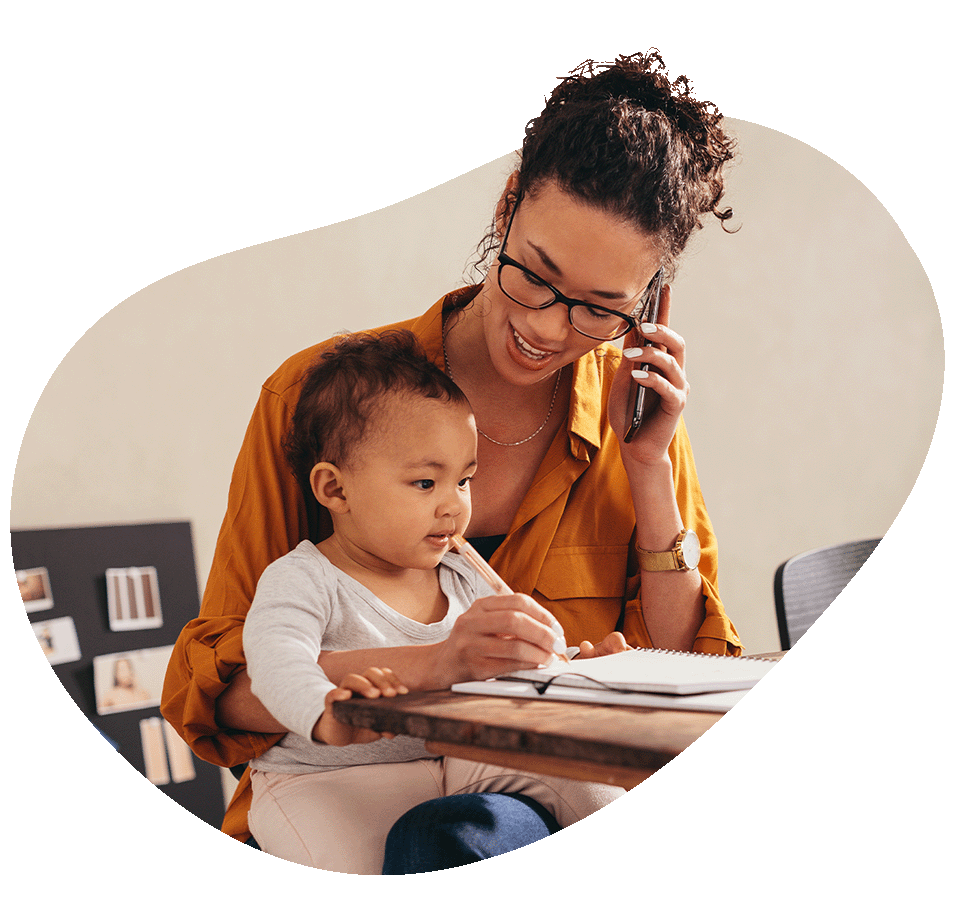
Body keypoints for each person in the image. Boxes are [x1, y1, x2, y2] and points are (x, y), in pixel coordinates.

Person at [161, 49, 743, 869]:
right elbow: (222, 692)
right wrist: (432, 667)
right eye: (535, 276)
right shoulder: (317, 397)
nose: (548, 328)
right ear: (507, 206)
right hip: (344, 807)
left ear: (647, 304)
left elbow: (686, 679)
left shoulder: (635, 421)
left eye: (599, 309)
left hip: (542, 809)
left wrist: (648, 469)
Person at [241, 330, 624, 874]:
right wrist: (328, 716)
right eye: (425, 483)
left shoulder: (463, 573)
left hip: (451, 755)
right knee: (354, 866)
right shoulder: (303, 579)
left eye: (464, 480)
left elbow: (518, 666)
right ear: (335, 490)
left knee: (581, 770)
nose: (454, 506)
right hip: (328, 775)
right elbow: (274, 664)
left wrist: (576, 670)